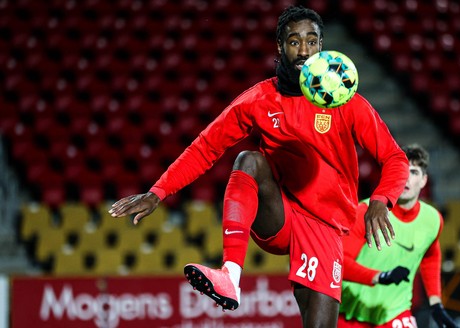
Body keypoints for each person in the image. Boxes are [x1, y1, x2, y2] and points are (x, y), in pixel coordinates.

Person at [109, 5, 409, 327]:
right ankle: (231, 276)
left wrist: (381, 200)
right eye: (294, 41)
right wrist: (158, 192)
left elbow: (395, 158)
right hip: (280, 214)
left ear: (322, 46)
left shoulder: (346, 102)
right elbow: (206, 146)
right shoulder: (259, 100)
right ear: (280, 46)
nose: (303, 51)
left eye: (311, 41)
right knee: (248, 160)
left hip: (326, 223)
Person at [339, 144, 457, 328]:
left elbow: (430, 256)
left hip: (395, 312)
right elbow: (341, 264)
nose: (406, 177)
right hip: (352, 312)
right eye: (401, 170)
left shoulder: (433, 220)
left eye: (414, 172)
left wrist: (435, 303)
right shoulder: (366, 211)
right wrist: (381, 276)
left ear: (424, 180)